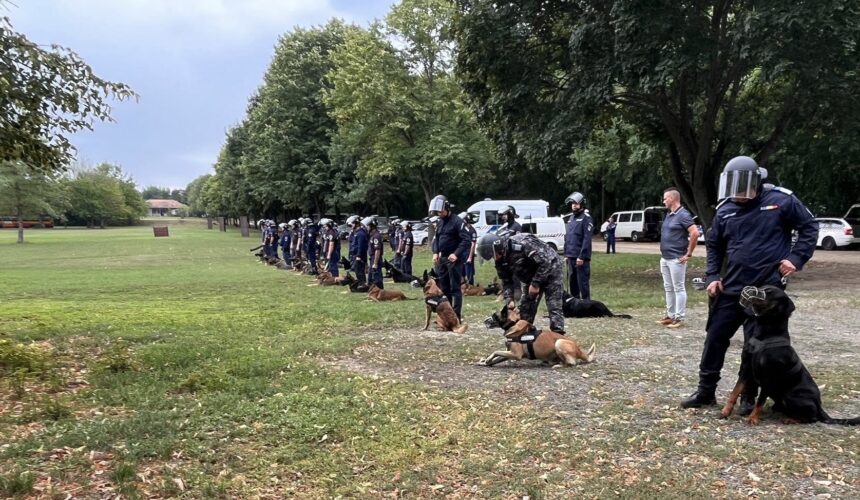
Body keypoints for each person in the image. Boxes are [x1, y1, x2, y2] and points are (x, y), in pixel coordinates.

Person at [681, 156, 818, 411]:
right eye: (734, 190)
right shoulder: (724, 209)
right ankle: (705, 391)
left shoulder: (781, 200)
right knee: (715, 338)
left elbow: (809, 227)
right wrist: (712, 277)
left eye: (743, 189)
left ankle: (747, 397)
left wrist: (796, 258)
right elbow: (715, 246)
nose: (739, 195)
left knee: (755, 345)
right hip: (732, 287)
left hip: (765, 291)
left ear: (756, 182)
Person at [476, 231, 565, 333]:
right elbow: (506, 281)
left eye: (493, 255)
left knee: (554, 306)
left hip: (551, 269)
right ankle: (526, 337)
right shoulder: (500, 261)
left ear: (499, 249)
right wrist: (510, 299)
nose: (494, 258)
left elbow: (546, 261)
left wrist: (536, 284)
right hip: (530, 277)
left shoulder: (522, 243)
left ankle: (558, 336)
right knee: (526, 309)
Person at [657, 189, 699, 329]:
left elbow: (695, 233)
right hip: (665, 257)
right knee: (668, 287)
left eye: (665, 199)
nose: (663, 201)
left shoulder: (683, 215)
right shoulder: (669, 215)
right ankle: (670, 315)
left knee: (678, 287)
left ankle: (679, 317)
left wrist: (688, 253)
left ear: (672, 199)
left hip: (676, 258)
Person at [429, 195, 471, 320]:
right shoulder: (440, 222)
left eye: (441, 211)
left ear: (447, 208)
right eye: (438, 212)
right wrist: (436, 252)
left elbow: (466, 240)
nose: (440, 214)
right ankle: (446, 314)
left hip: (454, 260)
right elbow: (436, 239)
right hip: (443, 259)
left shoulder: (458, 222)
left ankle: (456, 315)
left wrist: (456, 253)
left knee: (455, 288)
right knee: (444, 287)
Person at [563, 192, 592, 300]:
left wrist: (582, 256)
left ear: (582, 204)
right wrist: (566, 253)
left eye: (576, 203)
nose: (574, 205)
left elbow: (586, 239)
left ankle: (586, 303)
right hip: (571, 256)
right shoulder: (571, 218)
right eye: (572, 203)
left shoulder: (586, 218)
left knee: (582, 283)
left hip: (580, 258)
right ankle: (575, 303)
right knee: (572, 282)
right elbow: (568, 237)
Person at [459, 212, 479, 285]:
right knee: (462, 270)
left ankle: (470, 285)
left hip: (468, 253)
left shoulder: (472, 231)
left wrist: (470, 257)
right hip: (462, 253)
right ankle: (463, 284)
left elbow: (473, 244)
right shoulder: (462, 230)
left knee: (469, 271)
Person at [365, 216, 384, 289]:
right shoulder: (372, 235)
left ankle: (380, 291)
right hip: (372, 258)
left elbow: (377, 250)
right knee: (370, 276)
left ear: (372, 226)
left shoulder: (376, 236)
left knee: (376, 276)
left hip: (375, 258)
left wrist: (375, 263)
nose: (367, 227)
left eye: (368, 226)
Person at [349, 216, 369, 284]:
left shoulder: (360, 233)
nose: (351, 225)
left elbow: (361, 246)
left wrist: (359, 255)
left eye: (352, 223)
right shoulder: (357, 232)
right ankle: (361, 283)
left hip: (359, 256)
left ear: (357, 224)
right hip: (355, 255)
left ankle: (362, 284)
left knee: (360, 271)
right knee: (357, 270)